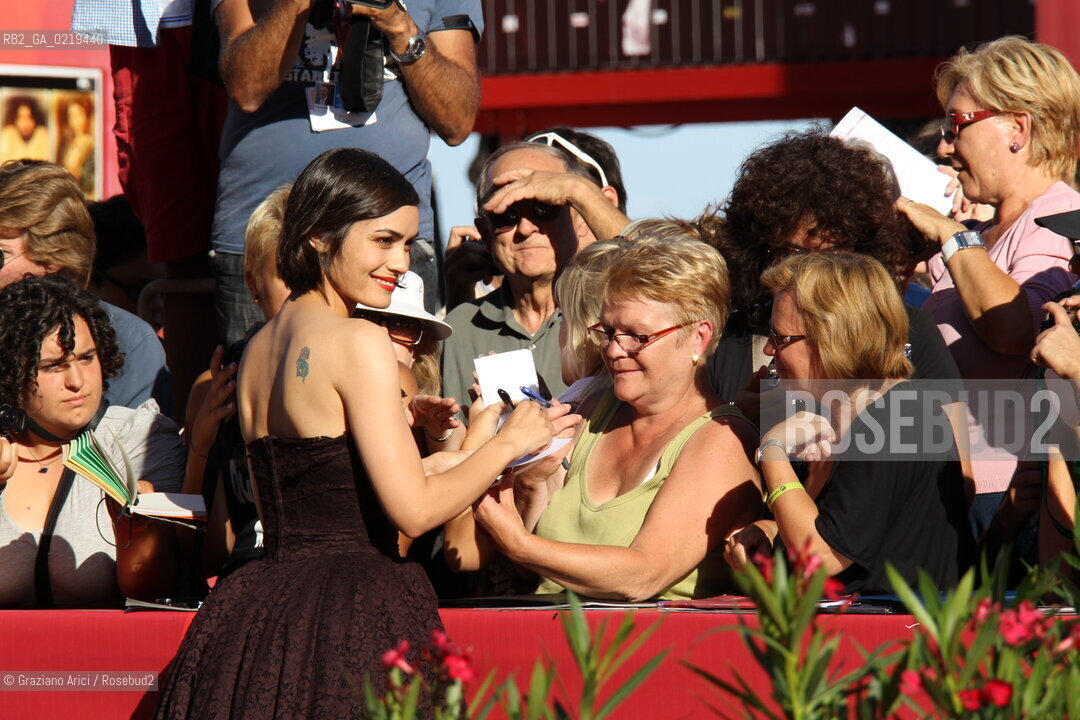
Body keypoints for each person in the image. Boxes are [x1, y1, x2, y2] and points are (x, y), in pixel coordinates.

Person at [154, 148, 562, 718]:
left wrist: (456, 454)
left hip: (253, 613)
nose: (402, 263)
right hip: (354, 615)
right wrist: (508, 443)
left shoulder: (259, 348)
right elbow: (415, 514)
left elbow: (326, 488)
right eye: (384, 240)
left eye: (409, 245)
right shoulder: (359, 341)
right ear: (321, 236)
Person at [450, 236, 762, 601]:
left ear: (699, 338)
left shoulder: (721, 440)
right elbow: (538, 570)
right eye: (608, 331)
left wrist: (519, 544)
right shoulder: (593, 405)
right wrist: (527, 483)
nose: (614, 350)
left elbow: (643, 575)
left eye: (637, 336)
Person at [208, 0, 484, 344]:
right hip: (269, 230)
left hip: (392, 235)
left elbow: (457, 122)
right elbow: (246, 88)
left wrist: (398, 23)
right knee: (265, 386)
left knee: (402, 389)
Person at [898, 36, 1080, 533]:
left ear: (1018, 129)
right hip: (949, 485)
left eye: (956, 126)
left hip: (1007, 496)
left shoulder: (1061, 219)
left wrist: (953, 236)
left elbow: (1016, 332)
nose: (944, 145)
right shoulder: (979, 237)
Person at [725, 253, 974, 595]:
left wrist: (772, 452)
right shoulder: (837, 418)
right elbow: (841, 530)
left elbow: (821, 556)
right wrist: (772, 531)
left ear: (833, 336)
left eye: (781, 338)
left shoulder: (901, 418)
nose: (769, 349)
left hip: (901, 640)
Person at [0, 275, 185, 608]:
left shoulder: (137, 439)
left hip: (103, 654)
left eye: (86, 358)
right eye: (53, 366)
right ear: (11, 372)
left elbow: (153, 593)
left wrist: (139, 533)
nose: (76, 381)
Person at [441, 142, 612, 410]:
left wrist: (578, 190)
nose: (526, 227)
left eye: (545, 207)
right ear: (484, 232)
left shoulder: (613, 311)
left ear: (580, 219)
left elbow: (670, 267)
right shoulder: (460, 327)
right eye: (505, 214)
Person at [0, 161, 170, 412]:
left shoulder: (129, 342)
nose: (75, 379)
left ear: (52, 259)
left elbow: (128, 449)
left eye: (1, 253)